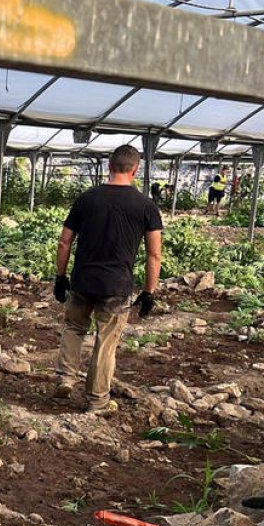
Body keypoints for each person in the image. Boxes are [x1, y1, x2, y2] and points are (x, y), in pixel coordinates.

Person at [53, 144, 163, 413]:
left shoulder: (87, 198)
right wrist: (149, 292)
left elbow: (64, 242)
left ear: (109, 166)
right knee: (106, 341)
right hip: (116, 286)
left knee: (74, 328)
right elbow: (154, 254)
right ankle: (97, 400)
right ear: (135, 170)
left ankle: (66, 378)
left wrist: (60, 276)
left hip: (82, 280)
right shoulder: (146, 206)